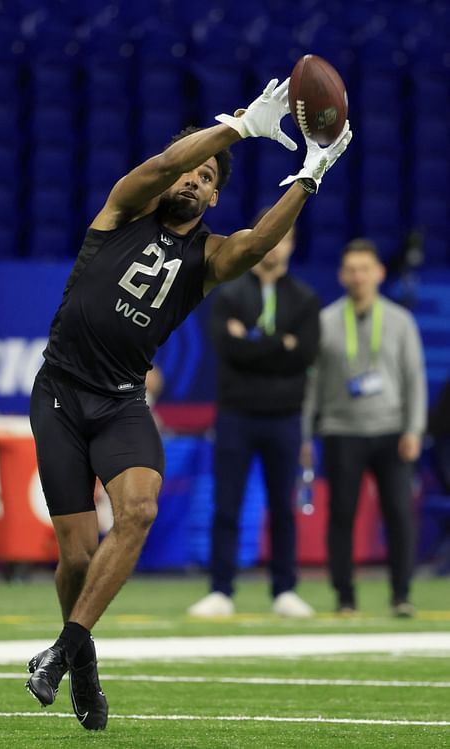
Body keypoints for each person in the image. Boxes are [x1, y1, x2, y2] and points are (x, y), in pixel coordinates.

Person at [26, 77, 352, 730]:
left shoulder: (206, 257)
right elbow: (163, 164)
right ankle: (82, 660)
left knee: (139, 509)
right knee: (77, 558)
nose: (197, 182)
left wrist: (310, 174)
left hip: (121, 401)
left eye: (210, 180)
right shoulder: (122, 208)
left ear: (215, 199)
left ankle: (65, 649)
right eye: (194, 170)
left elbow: (256, 244)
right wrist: (239, 127)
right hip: (60, 394)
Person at [188, 221, 320, 619]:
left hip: (284, 417)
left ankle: (285, 589)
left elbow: (305, 355)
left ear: (292, 246)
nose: (275, 248)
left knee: (283, 507)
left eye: (284, 240)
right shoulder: (228, 294)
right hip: (236, 415)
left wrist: (252, 342)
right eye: (271, 239)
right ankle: (221, 590)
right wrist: (280, 343)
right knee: (227, 504)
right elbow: (228, 351)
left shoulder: (305, 299)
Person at [301, 238, 426, 617]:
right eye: (351, 269)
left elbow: (414, 379)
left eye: (365, 269)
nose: (358, 276)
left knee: (399, 514)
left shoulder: (400, 321)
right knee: (341, 515)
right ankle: (345, 598)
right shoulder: (325, 321)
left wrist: (413, 430)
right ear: (342, 275)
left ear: (379, 273)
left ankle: (401, 595)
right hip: (341, 430)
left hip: (391, 429)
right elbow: (313, 383)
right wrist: (306, 434)